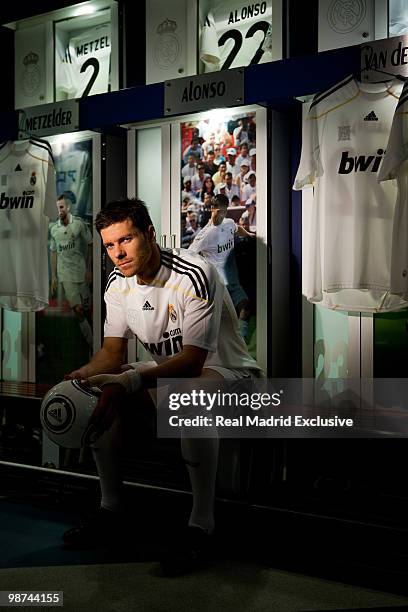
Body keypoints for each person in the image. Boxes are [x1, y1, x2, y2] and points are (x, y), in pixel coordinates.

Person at [62, 199, 261, 574]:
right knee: (97, 393)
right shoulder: (117, 282)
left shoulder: (194, 273)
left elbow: (193, 361)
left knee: (189, 397)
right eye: (109, 245)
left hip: (232, 374)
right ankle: (111, 510)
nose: (117, 253)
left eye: (126, 240)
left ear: (150, 235)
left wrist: (130, 379)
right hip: (170, 373)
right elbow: (111, 352)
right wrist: (80, 377)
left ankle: (202, 527)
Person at [189, 194, 254, 339]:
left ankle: (241, 343)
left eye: (225, 211)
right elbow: (189, 255)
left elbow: (237, 229)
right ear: (212, 209)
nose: (222, 215)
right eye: (220, 211)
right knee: (223, 323)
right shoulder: (204, 235)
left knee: (246, 308)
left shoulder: (229, 223)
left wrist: (250, 235)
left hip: (233, 281)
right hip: (218, 286)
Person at [50, 195, 93, 350]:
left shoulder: (79, 224)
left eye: (61, 207)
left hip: (81, 272)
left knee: (87, 308)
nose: (59, 210)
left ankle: (94, 342)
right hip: (65, 275)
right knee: (78, 309)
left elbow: (90, 244)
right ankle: (91, 343)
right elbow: (54, 252)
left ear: (68, 207)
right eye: (57, 208)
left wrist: (89, 269)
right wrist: (54, 275)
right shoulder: (54, 229)